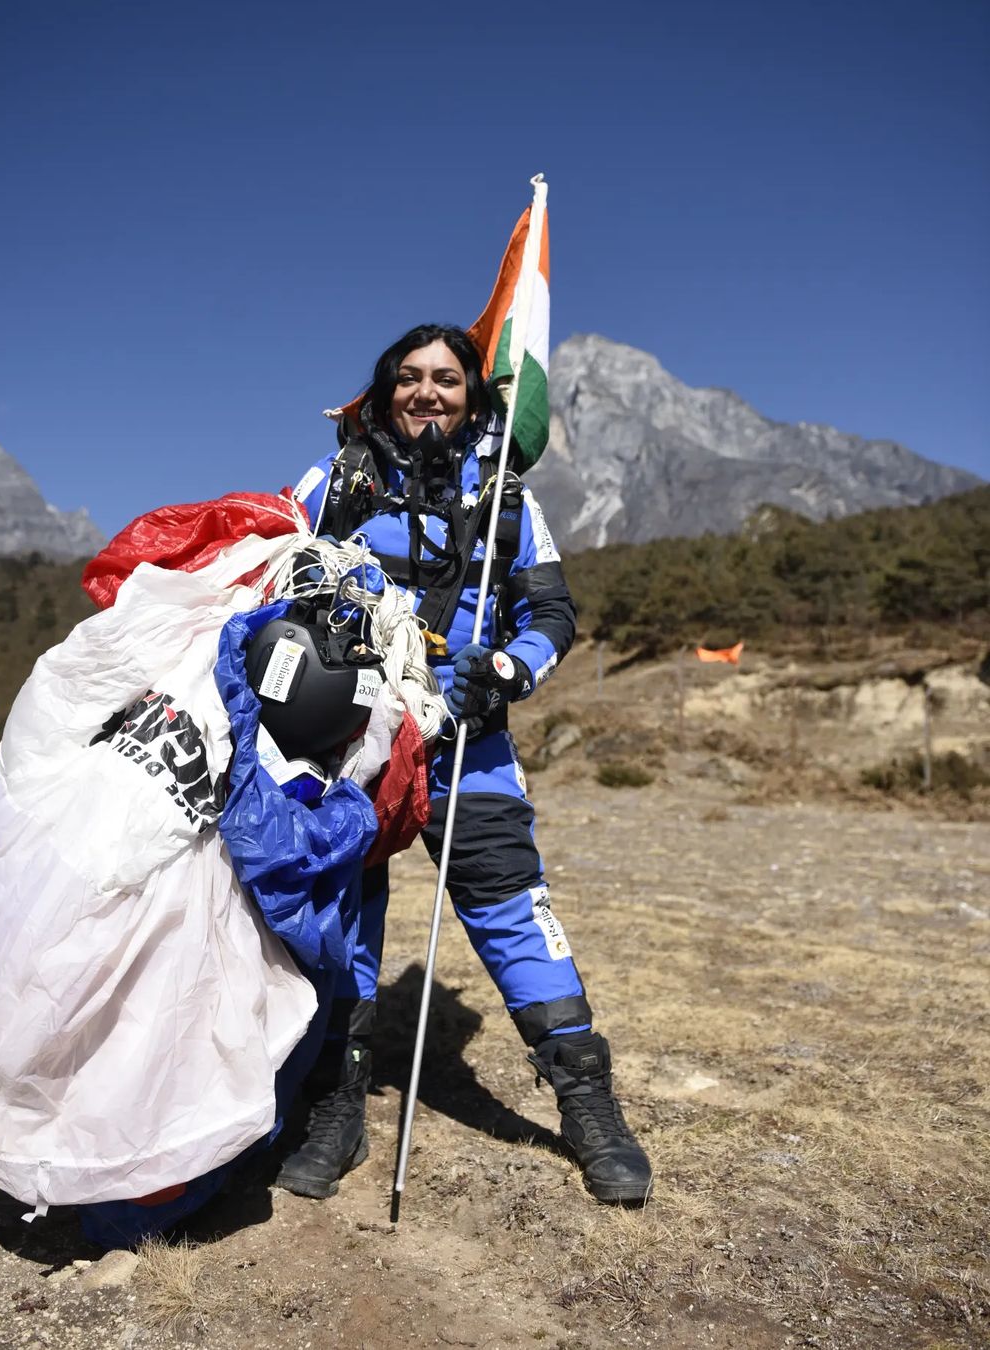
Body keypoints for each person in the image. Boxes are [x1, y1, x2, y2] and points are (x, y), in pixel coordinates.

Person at [280, 323, 652, 1205]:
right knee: (343, 916)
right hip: (351, 747)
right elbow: (265, 579)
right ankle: (339, 1106)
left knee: (513, 910)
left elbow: (553, 618)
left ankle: (587, 1103)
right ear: (381, 392)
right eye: (407, 378)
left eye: (446, 378)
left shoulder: (510, 502)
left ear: (475, 395)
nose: (426, 392)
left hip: (469, 739)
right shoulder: (329, 484)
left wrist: (504, 672)